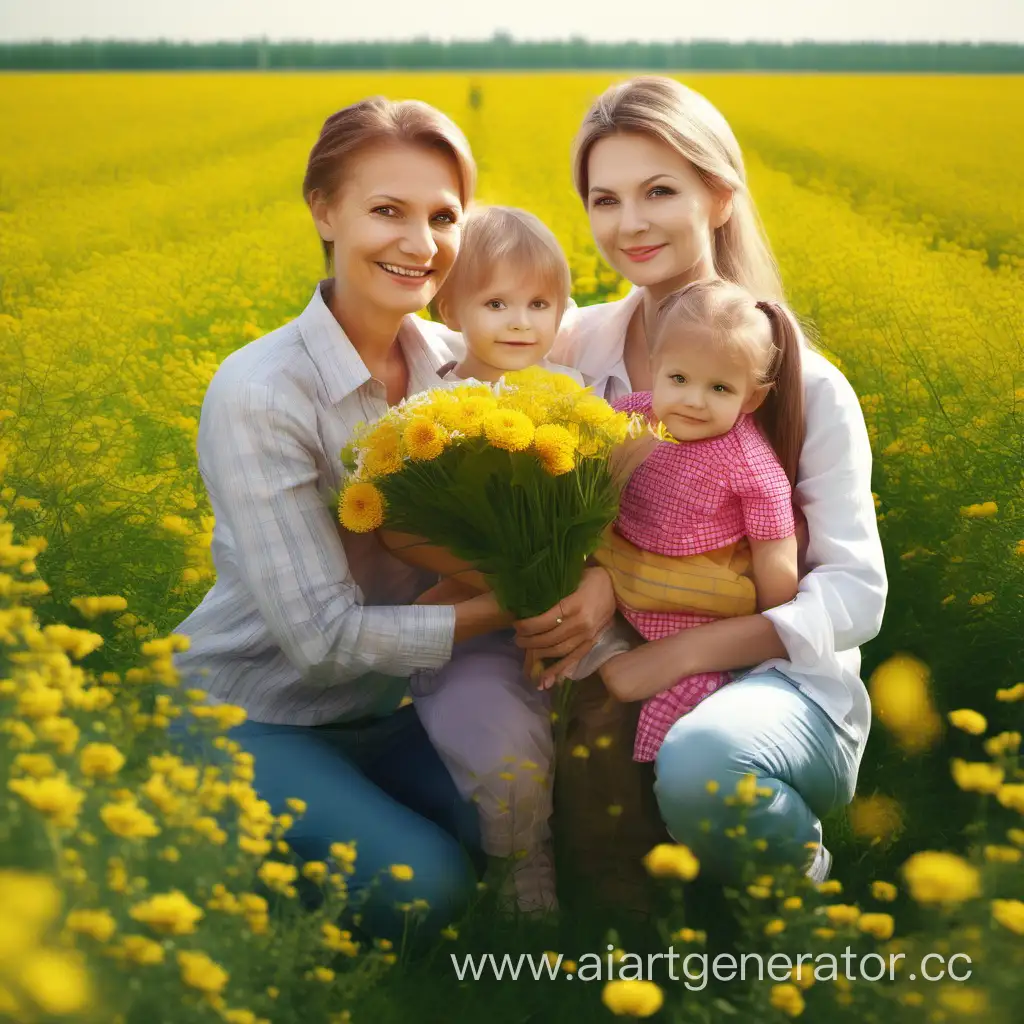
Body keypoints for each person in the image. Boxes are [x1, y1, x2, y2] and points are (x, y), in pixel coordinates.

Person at [515, 76, 887, 896]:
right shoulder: (579, 351)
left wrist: (682, 654)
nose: (629, 224)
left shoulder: (804, 384)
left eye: (658, 191)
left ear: (720, 196)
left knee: (703, 762)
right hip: (616, 651)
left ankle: (798, 922)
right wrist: (602, 582)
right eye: (604, 199)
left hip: (778, 686)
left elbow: (856, 596)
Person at [169, 97, 514, 941]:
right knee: (427, 890)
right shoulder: (261, 391)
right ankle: (190, 840)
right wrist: (519, 601)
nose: (420, 244)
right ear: (323, 211)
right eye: (386, 211)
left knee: (528, 818)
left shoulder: (457, 374)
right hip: (252, 715)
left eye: (443, 217)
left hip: (393, 714)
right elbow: (320, 643)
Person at [410, 204, 583, 915]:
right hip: (473, 628)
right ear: (448, 306)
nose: (520, 322)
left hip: (568, 619)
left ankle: (614, 867)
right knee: (503, 748)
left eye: (540, 304)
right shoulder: (429, 413)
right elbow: (404, 525)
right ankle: (523, 872)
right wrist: (514, 590)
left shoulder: (573, 400)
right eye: (496, 303)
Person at [590, 279, 803, 764]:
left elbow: (775, 557)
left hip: (697, 603)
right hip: (623, 575)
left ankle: (666, 782)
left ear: (751, 399)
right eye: (679, 379)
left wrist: (774, 629)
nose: (693, 400)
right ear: (653, 369)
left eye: (720, 388)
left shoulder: (749, 465)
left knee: (688, 703)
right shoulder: (626, 417)